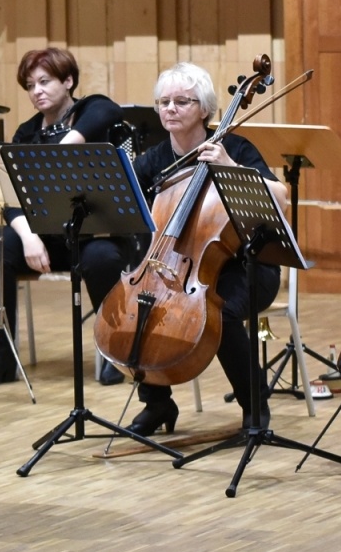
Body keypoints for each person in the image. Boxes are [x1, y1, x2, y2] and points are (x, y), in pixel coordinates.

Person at [120, 62, 283, 436]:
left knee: (218, 315)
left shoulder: (235, 147)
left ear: (205, 109)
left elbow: (281, 197)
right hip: (175, 268)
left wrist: (231, 167)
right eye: (163, 102)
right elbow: (130, 208)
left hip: (244, 268)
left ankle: (254, 404)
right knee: (142, 307)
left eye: (182, 101)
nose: (170, 109)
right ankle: (157, 403)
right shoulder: (155, 160)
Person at [0, 47, 130, 388]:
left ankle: (115, 350)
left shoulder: (90, 110)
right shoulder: (26, 134)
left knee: (103, 258)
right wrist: (28, 237)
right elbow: (12, 199)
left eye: (45, 81)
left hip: (96, 237)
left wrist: (69, 141)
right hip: (48, 239)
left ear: (68, 81)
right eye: (30, 85)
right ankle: (2, 354)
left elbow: (108, 110)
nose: (36, 91)